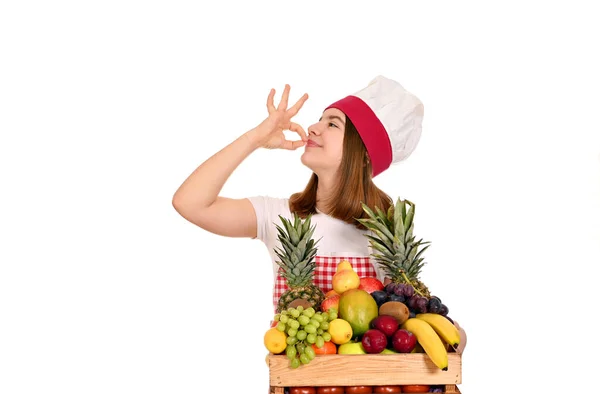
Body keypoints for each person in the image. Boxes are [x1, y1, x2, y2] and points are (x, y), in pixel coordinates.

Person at [172, 75, 466, 354]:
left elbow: (409, 319)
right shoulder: (279, 215)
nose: (313, 127)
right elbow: (190, 203)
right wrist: (255, 138)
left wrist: (450, 333)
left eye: (333, 124)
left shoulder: (384, 232)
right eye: (320, 119)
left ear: (364, 152)